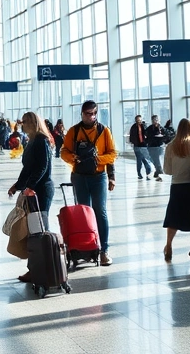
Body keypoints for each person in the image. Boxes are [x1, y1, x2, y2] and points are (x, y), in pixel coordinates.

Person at [60, 100, 117, 266]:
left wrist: (107, 170)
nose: (91, 117)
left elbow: (112, 153)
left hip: (98, 176)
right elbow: (64, 151)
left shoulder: (104, 131)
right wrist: (73, 158)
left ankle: (103, 250)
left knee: (100, 211)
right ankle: (86, 248)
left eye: (93, 113)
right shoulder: (74, 131)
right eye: (87, 114)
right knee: (84, 213)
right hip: (79, 176)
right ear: (82, 114)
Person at [160, 118, 190, 262]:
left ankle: (169, 246)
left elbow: (167, 170)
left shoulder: (171, 146)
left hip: (177, 186)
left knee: (174, 217)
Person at [8, 111, 56, 232]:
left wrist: (30, 186)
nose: (22, 125)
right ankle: (37, 244)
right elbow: (27, 168)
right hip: (34, 188)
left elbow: (42, 166)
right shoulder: (32, 140)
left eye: (24, 122)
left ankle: (45, 244)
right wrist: (18, 185)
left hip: (42, 188)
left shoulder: (41, 140)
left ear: (32, 123)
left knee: (41, 225)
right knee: (34, 225)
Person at [129, 115, 153, 180]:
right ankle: (139, 174)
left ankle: (148, 174)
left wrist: (147, 141)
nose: (139, 121)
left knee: (146, 160)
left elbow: (148, 134)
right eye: (138, 120)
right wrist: (133, 142)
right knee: (139, 160)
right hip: (137, 146)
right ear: (135, 120)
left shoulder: (144, 126)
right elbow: (131, 136)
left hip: (144, 145)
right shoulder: (133, 127)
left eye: (140, 120)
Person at [146, 115, 167, 181]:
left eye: (157, 120)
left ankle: (159, 173)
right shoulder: (149, 129)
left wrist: (163, 139)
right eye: (154, 120)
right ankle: (157, 172)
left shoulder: (161, 128)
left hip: (159, 147)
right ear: (152, 121)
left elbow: (165, 136)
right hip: (151, 147)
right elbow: (147, 137)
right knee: (154, 160)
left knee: (158, 160)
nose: (156, 121)